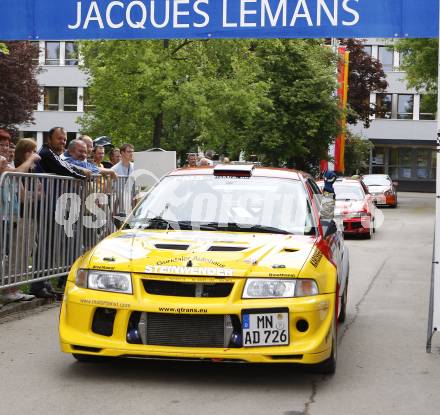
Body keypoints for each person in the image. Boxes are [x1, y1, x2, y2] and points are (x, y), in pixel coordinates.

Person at [30, 127, 88, 298]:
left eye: (64, 139)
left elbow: (65, 165)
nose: (62, 142)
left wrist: (81, 172)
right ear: (49, 139)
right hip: (46, 205)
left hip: (53, 205)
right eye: (59, 139)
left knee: (50, 246)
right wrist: (83, 175)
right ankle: (38, 285)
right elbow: (64, 169)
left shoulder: (51, 153)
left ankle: (45, 282)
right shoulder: (46, 153)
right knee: (46, 246)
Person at [0, 133, 41, 303]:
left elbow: (23, 196)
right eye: (2, 145)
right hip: (5, 215)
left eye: (8, 145)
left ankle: (12, 289)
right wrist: (31, 160)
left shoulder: (8, 164)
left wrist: (38, 194)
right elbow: (17, 173)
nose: (6, 148)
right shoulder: (9, 164)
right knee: (7, 254)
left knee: (12, 254)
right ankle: (8, 289)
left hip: (11, 216)